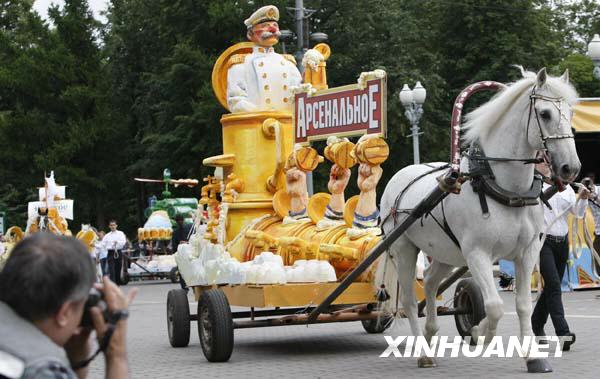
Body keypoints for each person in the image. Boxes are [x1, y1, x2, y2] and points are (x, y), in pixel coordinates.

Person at [0, 233, 136, 379]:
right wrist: (116, 356)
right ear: (64, 313)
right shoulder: (40, 369)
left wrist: (76, 361)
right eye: (81, 307)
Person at [532, 160, 589, 350]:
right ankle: (563, 333)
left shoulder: (566, 189)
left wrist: (582, 198)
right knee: (555, 286)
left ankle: (536, 322)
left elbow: (578, 214)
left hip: (562, 242)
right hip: (543, 241)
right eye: (541, 162)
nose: (546, 165)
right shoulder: (534, 186)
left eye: (548, 163)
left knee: (551, 287)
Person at [226, 5, 302, 113]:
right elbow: (236, 101)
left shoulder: (288, 63)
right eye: (265, 25)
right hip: (257, 124)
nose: (272, 29)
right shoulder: (241, 64)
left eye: (275, 25)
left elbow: (299, 95)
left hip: (287, 124)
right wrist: (263, 115)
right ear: (250, 34)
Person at [102, 220, 127, 286]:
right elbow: (103, 244)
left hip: (118, 252)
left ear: (116, 226)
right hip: (110, 252)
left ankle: (118, 282)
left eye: (114, 225)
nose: (113, 226)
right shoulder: (107, 235)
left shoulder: (120, 233)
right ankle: (113, 283)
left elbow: (123, 242)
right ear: (109, 226)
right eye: (111, 225)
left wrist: (117, 242)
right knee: (111, 268)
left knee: (118, 268)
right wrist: (111, 245)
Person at [171, 215, 191, 292]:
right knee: (183, 271)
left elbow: (174, 246)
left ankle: (185, 287)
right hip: (185, 254)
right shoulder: (188, 228)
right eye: (178, 221)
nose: (180, 222)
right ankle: (185, 287)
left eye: (180, 220)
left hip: (185, 254)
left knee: (182, 271)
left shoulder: (177, 232)